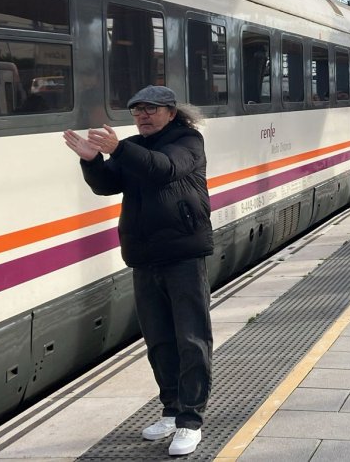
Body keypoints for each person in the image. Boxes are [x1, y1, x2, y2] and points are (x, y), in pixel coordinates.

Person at [62, 86, 213, 457]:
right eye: (137, 111)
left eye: (151, 109)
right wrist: (92, 161)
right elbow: (108, 185)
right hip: (144, 257)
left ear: (171, 113)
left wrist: (119, 150)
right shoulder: (132, 146)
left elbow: (164, 170)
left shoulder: (187, 141)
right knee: (159, 340)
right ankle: (171, 409)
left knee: (191, 340)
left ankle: (191, 420)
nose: (143, 116)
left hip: (183, 255)